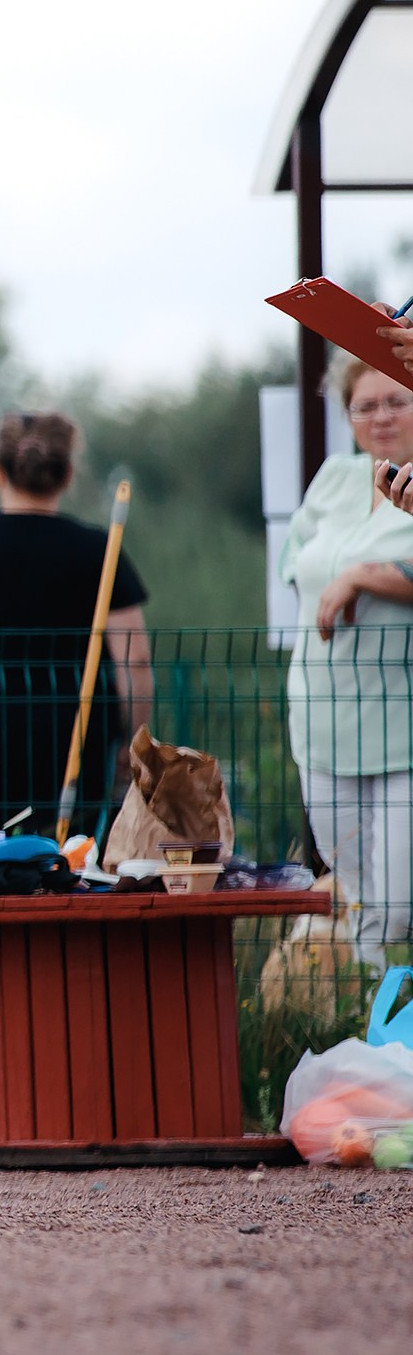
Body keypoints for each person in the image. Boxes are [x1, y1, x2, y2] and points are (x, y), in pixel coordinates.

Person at [0, 411, 151, 835]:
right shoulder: (100, 551)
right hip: (73, 740)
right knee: (69, 865)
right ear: (68, 474)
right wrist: (131, 746)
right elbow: (134, 661)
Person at [284, 354, 413, 968]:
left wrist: (363, 577)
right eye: (366, 405)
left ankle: (393, 1031)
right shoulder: (333, 478)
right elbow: (297, 562)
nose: (381, 416)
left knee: (397, 901)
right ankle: (369, 1026)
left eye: (396, 400)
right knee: (355, 890)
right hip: (322, 715)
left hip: (401, 722)